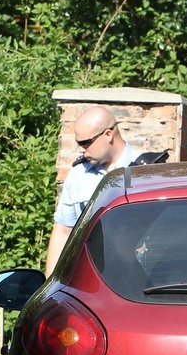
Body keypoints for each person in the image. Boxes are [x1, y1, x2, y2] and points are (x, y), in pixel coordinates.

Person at [45, 106, 136, 274]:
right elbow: (64, 230)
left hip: (137, 277)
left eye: (86, 143)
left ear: (108, 134)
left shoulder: (146, 170)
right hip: (90, 277)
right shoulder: (78, 174)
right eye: (78, 143)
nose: (81, 149)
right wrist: (50, 286)